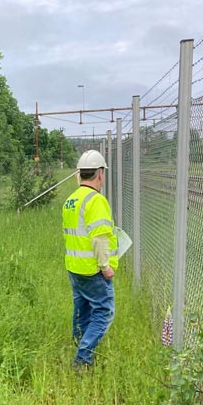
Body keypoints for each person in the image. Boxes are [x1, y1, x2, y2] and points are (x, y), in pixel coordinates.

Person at [62, 149, 118, 370]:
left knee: (82, 309)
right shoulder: (96, 200)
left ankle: (80, 344)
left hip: (74, 267)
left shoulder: (71, 200)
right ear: (100, 174)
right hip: (92, 269)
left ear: (79, 174)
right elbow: (99, 239)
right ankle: (82, 358)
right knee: (103, 312)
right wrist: (106, 267)